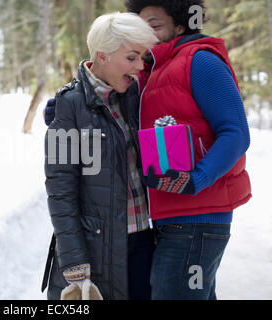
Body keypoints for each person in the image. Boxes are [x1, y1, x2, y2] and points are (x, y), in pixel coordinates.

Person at [44, 0, 252, 300]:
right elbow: (61, 187)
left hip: (184, 220)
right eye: (140, 37)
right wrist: (66, 107)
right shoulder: (141, 81)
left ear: (180, 23)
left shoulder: (193, 64)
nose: (147, 46)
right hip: (143, 230)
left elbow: (236, 133)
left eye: (154, 27)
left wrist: (197, 178)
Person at [42, 12, 158, 300]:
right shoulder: (68, 106)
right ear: (103, 56)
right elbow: (60, 190)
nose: (139, 67)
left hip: (144, 240)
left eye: (142, 58)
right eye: (131, 58)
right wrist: (73, 260)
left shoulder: (134, 96)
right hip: (97, 250)